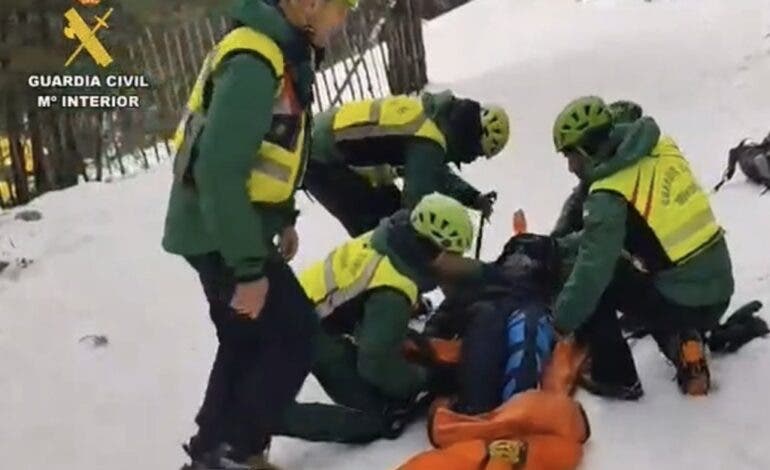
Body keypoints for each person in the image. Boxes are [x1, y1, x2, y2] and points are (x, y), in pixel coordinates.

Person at [161, 0, 355, 468]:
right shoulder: (255, 61)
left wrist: (283, 216)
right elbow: (220, 171)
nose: (345, 17)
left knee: (246, 338)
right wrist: (248, 269)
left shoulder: (281, 52)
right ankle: (238, 451)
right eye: (341, 6)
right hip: (221, 231)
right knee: (293, 336)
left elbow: (273, 148)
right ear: (308, 5)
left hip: (230, 227)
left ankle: (214, 448)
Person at [550, 96, 734, 399]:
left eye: (570, 156)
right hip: (719, 287)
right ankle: (685, 347)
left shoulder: (610, 194)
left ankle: (615, 377)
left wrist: (559, 322)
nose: (570, 166)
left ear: (587, 149)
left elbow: (591, 273)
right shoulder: (661, 148)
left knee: (591, 277)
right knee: (650, 281)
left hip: (683, 299)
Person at [275, 193, 482, 443]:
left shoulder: (390, 240)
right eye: (454, 255)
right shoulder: (393, 291)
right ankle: (268, 419)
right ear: (438, 250)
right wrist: (425, 380)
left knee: (391, 346)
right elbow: (375, 361)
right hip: (298, 333)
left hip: (297, 308)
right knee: (377, 415)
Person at [304, 91, 511, 236]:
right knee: (379, 232)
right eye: (477, 153)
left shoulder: (435, 117)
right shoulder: (429, 139)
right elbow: (416, 204)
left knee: (390, 219)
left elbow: (432, 171)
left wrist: (472, 197)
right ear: (472, 141)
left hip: (336, 145)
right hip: (321, 155)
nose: (472, 159)